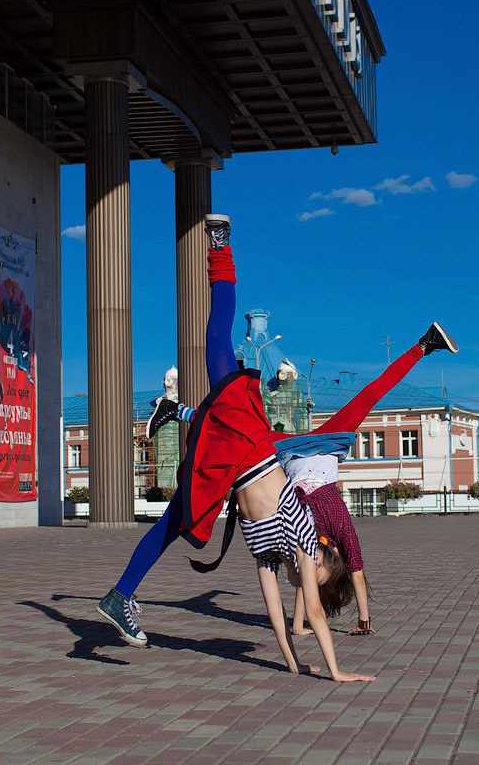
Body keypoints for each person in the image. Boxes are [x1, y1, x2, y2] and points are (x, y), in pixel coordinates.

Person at [99, 215, 371, 682]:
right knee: (217, 335)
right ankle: (220, 249)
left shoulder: (268, 556)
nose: (304, 588)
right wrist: (336, 672)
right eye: (315, 580)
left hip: (228, 464)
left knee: (173, 523)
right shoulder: (305, 544)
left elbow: (276, 620)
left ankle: (121, 595)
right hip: (246, 441)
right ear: (322, 556)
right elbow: (316, 619)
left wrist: (292, 662)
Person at [149, 324, 458, 636]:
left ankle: (177, 411)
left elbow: (306, 574)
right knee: (370, 395)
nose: (328, 561)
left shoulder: (314, 543)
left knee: (238, 429)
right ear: (334, 561)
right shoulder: (342, 534)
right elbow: (357, 577)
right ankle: (423, 345)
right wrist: (364, 621)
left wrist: (301, 626)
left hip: (288, 452)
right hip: (323, 441)